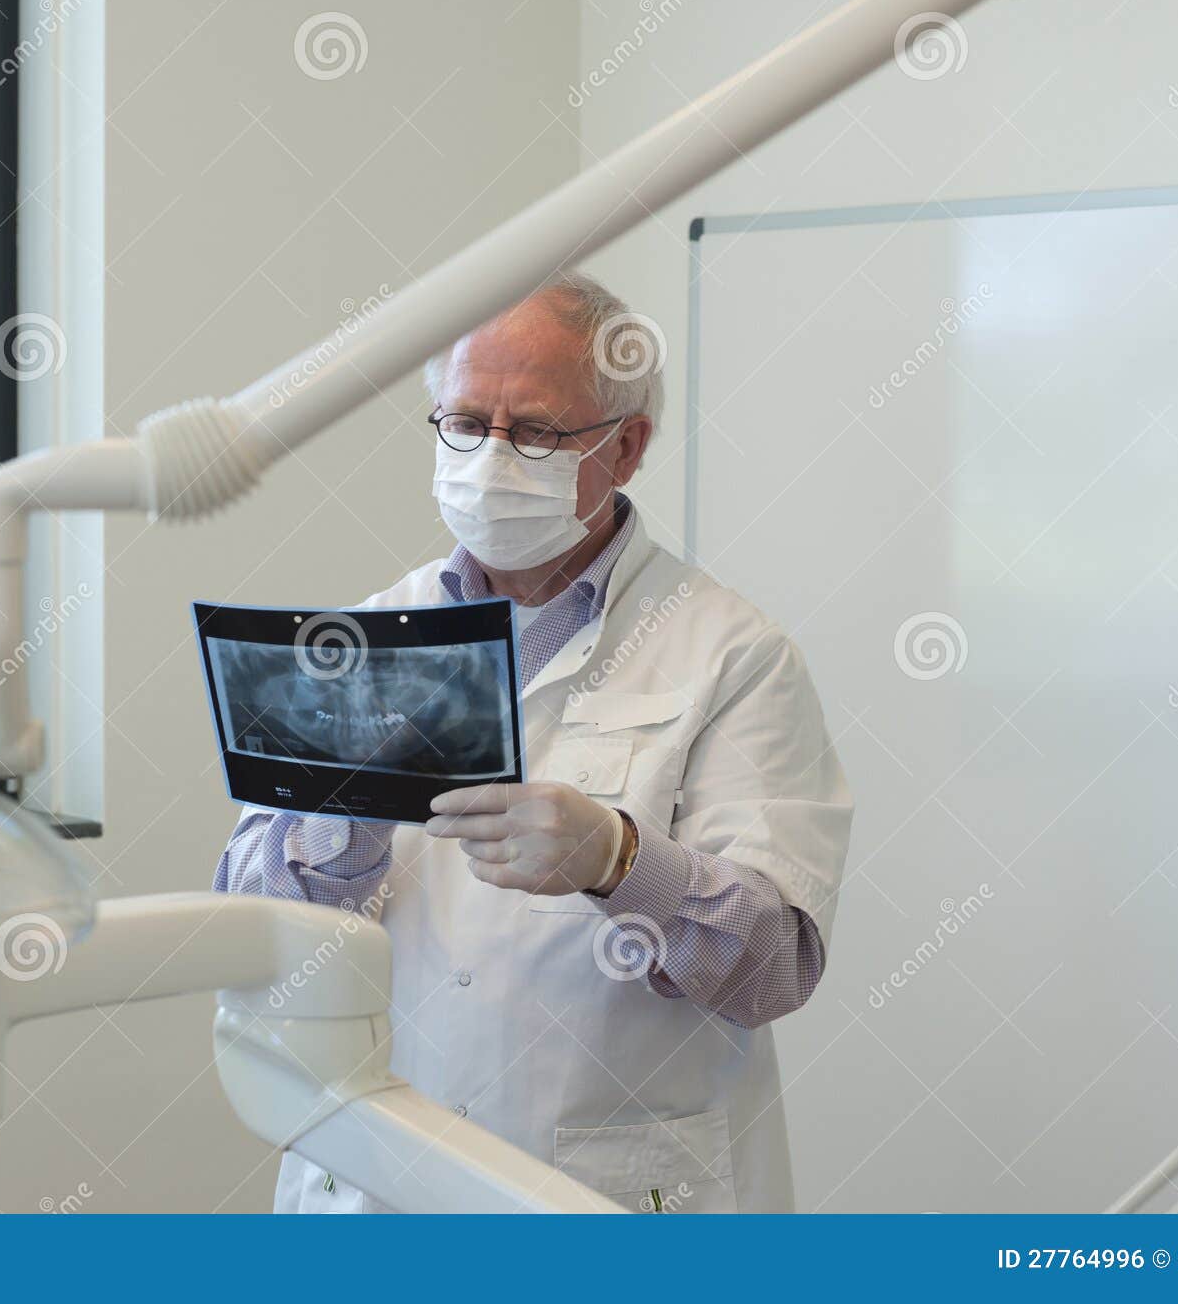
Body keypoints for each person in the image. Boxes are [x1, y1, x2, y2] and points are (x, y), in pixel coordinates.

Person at [215, 273, 853, 1213]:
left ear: (626, 445)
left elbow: (775, 967)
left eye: (538, 432)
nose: (490, 459)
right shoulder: (362, 638)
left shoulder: (732, 655)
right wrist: (336, 840)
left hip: (608, 1195)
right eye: (466, 423)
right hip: (371, 1185)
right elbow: (247, 938)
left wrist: (620, 861)